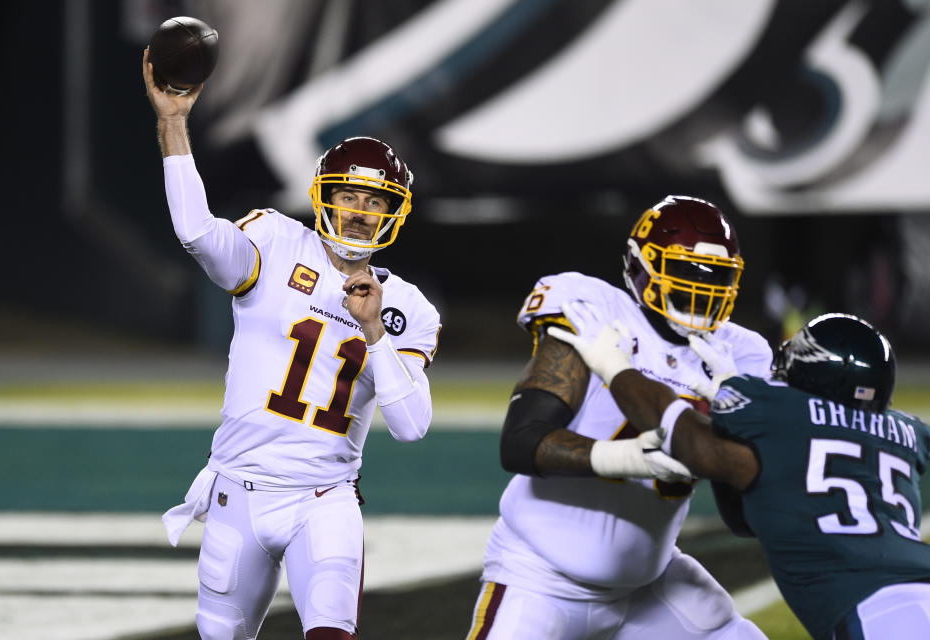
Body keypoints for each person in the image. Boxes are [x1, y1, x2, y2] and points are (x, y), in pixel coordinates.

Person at [142, 49, 441, 640]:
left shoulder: (407, 305)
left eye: (375, 200)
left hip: (324, 497)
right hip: (238, 488)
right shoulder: (275, 240)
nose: (359, 212)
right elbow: (196, 232)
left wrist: (374, 329)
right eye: (350, 197)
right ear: (324, 196)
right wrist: (173, 123)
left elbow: (411, 426)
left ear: (393, 213)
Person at [465, 195, 772, 639]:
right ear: (640, 266)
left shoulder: (740, 353)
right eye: (685, 269)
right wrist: (624, 458)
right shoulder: (596, 313)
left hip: (650, 582)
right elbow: (522, 441)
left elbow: (742, 518)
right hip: (541, 577)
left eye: (716, 276)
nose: (701, 287)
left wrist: (734, 424)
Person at [551, 307, 930, 640]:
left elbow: (686, 436)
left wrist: (615, 368)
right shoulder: (909, 433)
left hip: (877, 612)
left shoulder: (778, 411)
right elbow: (747, 514)